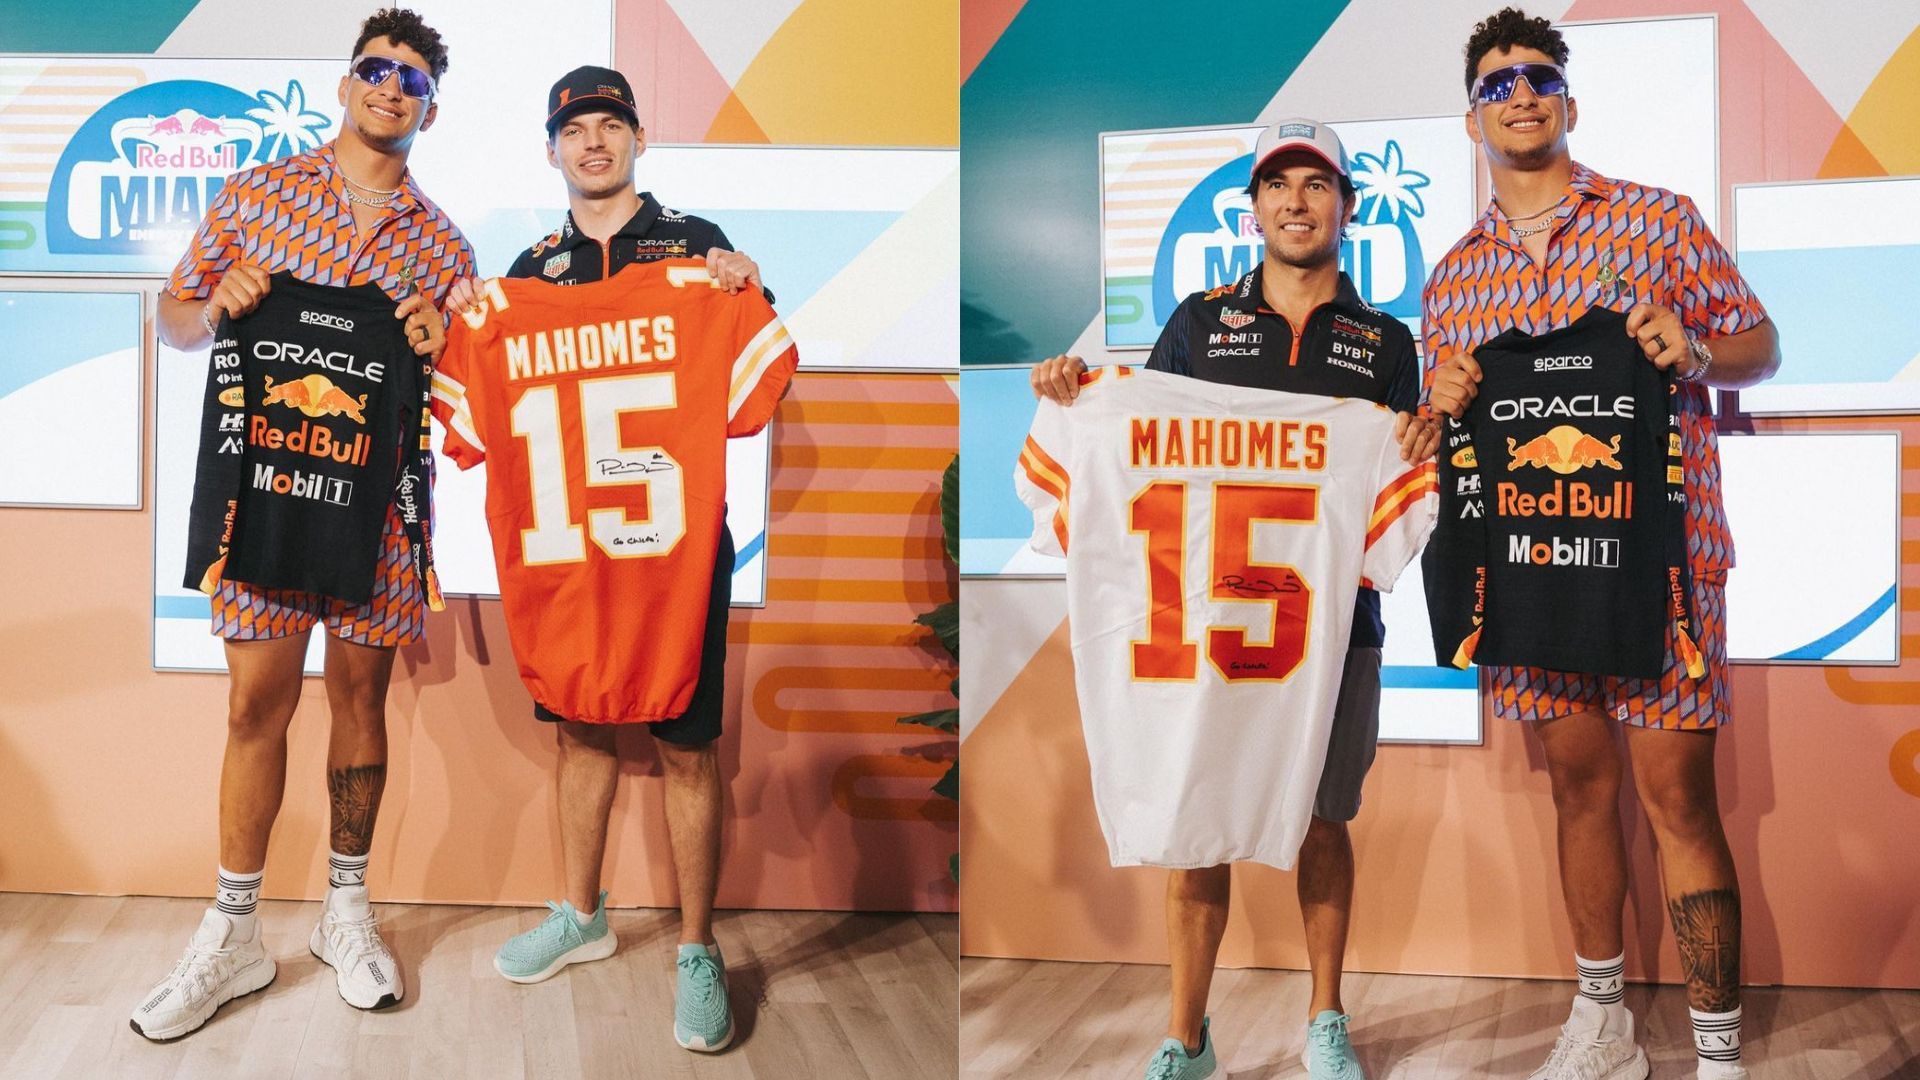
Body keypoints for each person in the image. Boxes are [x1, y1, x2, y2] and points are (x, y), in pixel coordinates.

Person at [1030, 118, 1437, 1080]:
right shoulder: (1197, 323)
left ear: (1347, 203)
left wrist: (1420, 451)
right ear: (1251, 208)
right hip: (1206, 627)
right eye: (1278, 185)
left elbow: (1398, 485)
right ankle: (1187, 1032)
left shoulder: (1385, 343)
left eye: (1316, 183)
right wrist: (1072, 394)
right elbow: (1138, 448)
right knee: (1194, 815)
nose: (1297, 201)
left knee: (1327, 818)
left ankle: (1325, 1021)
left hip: (1334, 632)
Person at [1422, 10, 1780, 1079]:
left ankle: (1718, 1056)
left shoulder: (1660, 224)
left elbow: (1760, 345)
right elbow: (1447, 434)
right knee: (1579, 790)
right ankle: (1603, 1025)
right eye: (1497, 82)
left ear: (1567, 102)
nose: (1519, 93)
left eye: (1537, 76)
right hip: (1527, 572)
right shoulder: (1452, 278)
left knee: (1679, 798)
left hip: (1660, 566)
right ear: (1475, 115)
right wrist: (1441, 400)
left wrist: (1704, 349)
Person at [130, 7, 474, 1041]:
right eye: (376, 68)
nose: (390, 87)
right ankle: (233, 931)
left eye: (410, 79)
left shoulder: (446, 244)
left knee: (361, 702)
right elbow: (175, 320)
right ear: (346, 81)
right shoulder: (258, 194)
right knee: (255, 706)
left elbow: (469, 390)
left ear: (431, 106)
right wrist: (217, 299)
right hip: (260, 499)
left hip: (381, 512)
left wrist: (443, 337)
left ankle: (346, 909)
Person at [445, 65, 765, 1055]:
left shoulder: (698, 252)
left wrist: (744, 286)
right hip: (573, 557)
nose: (593, 142)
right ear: (552, 147)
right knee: (580, 736)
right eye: (575, 128)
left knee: (685, 743)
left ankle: (699, 949)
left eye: (610, 125)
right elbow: (468, 413)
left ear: (636, 141)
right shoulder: (526, 274)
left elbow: (752, 395)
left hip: (671, 555)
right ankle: (580, 913)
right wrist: (464, 319)